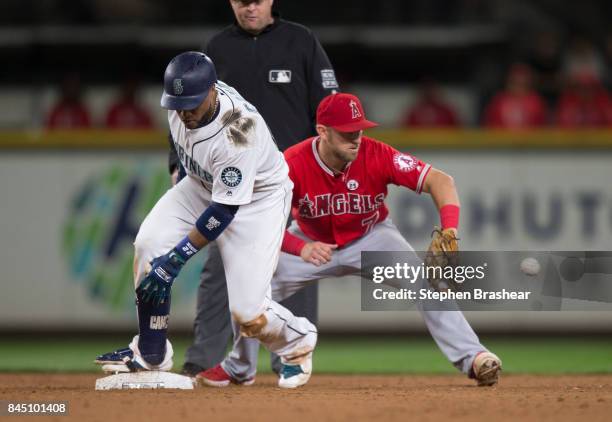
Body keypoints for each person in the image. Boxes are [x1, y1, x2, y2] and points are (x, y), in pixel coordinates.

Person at [196, 92, 502, 388]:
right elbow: (257, 226)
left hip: (373, 238)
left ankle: (474, 357)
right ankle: (239, 368)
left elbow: (441, 181)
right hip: (310, 241)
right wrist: (300, 247)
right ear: (323, 131)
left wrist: (450, 230)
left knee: (430, 283)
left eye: (359, 130)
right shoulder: (292, 163)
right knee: (251, 285)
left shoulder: (378, 154)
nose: (356, 138)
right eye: (346, 132)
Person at [95, 51, 317, 389]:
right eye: (177, 104)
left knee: (248, 315)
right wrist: (178, 169)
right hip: (202, 184)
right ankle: (151, 352)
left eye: (192, 104)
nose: (184, 112)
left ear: (213, 90)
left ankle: (297, 340)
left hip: (259, 199)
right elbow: (181, 138)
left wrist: (177, 258)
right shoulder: (182, 107)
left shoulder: (238, 134)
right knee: (148, 244)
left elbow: (222, 213)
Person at [177, 0, 339, 377]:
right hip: (232, 179)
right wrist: (178, 163)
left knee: (296, 268)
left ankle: (292, 361)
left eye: (256, 0)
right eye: (240, 0)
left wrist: (325, 169)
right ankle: (208, 360)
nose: (249, 7)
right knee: (221, 270)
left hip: (291, 178)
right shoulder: (216, 48)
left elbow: (329, 111)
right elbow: (190, 113)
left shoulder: (301, 41)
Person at [483, 63, 548, 128]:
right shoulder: (498, 100)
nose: (518, 88)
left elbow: (542, 126)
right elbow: (490, 124)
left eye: (522, 84)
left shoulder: (536, 102)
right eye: (514, 83)